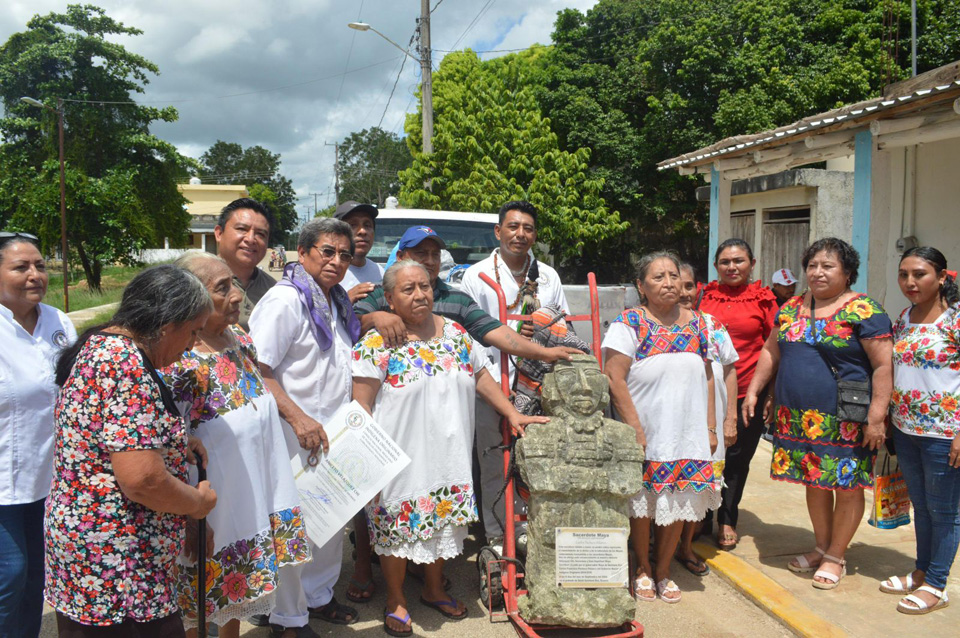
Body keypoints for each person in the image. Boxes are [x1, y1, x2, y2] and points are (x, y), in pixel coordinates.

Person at [352, 260, 547, 636]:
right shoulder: (377, 343)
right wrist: (367, 462)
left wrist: (511, 413)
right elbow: (360, 405)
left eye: (424, 286)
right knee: (394, 527)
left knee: (441, 521)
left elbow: (481, 377)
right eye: (407, 289)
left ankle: (433, 587)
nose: (419, 294)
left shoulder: (456, 333)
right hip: (397, 457)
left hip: (448, 454)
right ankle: (396, 599)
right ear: (389, 299)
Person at [46, 265, 218, 635]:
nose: (191, 345)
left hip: (90, 555)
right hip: (120, 566)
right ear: (167, 324)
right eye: (192, 332)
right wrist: (196, 503)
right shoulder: (127, 365)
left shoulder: (102, 344)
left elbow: (105, 434)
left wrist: (171, 443)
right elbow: (142, 479)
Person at [161, 252, 311, 635]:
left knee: (237, 596)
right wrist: (191, 514)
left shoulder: (240, 338)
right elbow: (169, 447)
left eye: (234, 284)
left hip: (253, 493)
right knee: (197, 602)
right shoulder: (178, 360)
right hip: (209, 504)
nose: (236, 296)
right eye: (221, 288)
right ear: (188, 297)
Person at [744, 237, 893, 590]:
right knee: (815, 481)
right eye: (812, 265)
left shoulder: (865, 311)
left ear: (847, 272)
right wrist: (755, 390)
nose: (818, 272)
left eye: (828, 266)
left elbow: (884, 366)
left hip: (845, 420)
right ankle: (822, 547)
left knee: (847, 485)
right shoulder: (792, 307)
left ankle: (836, 556)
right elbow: (771, 352)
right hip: (798, 418)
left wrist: (876, 417)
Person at [249, 218, 361, 636]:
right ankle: (286, 616)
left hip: (333, 432)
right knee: (294, 526)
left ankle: (317, 597)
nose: (336, 260)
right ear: (303, 251)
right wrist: (297, 417)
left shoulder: (336, 301)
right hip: (292, 432)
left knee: (329, 521)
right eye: (327, 251)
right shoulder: (285, 300)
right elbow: (256, 368)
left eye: (344, 254)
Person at [603, 252, 718, 604]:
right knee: (643, 505)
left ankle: (664, 569)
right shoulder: (629, 323)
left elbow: (710, 377)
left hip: (688, 432)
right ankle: (642, 568)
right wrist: (635, 428)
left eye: (673, 275)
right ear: (641, 286)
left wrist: (711, 426)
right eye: (657, 277)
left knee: (678, 503)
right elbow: (614, 377)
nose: (668, 283)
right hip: (648, 431)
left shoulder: (700, 323)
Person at [460, 201, 570, 549]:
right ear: (498, 231)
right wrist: (494, 383)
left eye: (528, 228)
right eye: (513, 227)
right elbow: (466, 333)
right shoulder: (477, 275)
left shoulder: (548, 276)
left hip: (538, 384)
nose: (520, 234)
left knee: (537, 457)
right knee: (495, 459)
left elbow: (559, 326)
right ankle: (497, 535)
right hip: (490, 383)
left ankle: (532, 531)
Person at [0, 232, 76, 638]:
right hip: (2, 485)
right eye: (20, 267)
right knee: (9, 578)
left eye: (40, 266)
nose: (35, 275)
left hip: (50, 480)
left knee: (36, 583)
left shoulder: (58, 322)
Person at [881, 246, 960, 614]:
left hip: (945, 435)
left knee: (945, 511)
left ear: (942, 277)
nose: (910, 282)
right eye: (903, 274)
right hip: (906, 431)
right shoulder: (905, 317)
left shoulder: (956, 320)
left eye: (920, 274)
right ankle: (921, 571)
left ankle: (937, 584)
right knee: (922, 508)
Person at [699, 238, 778, 550]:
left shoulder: (764, 299)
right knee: (704, 454)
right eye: (725, 262)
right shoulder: (704, 297)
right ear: (717, 266)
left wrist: (770, 394)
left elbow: (775, 350)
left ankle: (727, 518)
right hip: (705, 393)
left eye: (739, 261)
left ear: (752, 264)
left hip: (749, 394)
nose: (732, 267)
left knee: (736, 459)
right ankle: (701, 515)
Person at [674, 262, 739, 577]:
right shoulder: (656, 325)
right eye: (678, 285)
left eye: (690, 285)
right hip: (673, 422)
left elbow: (729, 370)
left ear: (698, 287)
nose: (684, 293)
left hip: (709, 425)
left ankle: (685, 546)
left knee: (700, 487)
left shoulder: (713, 325)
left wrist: (730, 419)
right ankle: (658, 548)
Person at [214, 197, 275, 330]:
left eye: (260, 234)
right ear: (219, 233)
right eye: (242, 229)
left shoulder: (274, 291)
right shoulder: (196, 282)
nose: (251, 239)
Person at [334, 200, 384, 303]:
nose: (362, 231)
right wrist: (345, 301)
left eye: (367, 225)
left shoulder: (380, 272)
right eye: (352, 225)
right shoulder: (328, 271)